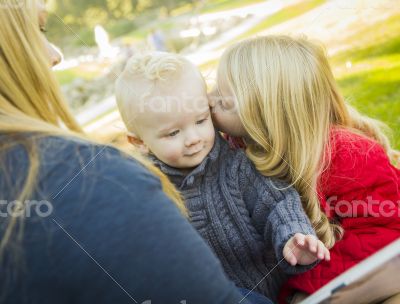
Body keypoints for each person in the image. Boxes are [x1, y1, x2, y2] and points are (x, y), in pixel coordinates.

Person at [0, 1, 272, 303]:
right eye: (38, 29)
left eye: (200, 120)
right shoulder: (90, 182)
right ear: (138, 141)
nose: (55, 54)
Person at [114, 51, 330, 302]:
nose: (193, 138)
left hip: (265, 292)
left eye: (200, 120)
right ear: (140, 142)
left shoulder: (236, 168)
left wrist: (293, 236)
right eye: (173, 133)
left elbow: (276, 204)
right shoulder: (147, 189)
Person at [210, 35, 400, 303]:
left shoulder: (349, 155)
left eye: (222, 96)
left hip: (372, 263)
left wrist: (309, 288)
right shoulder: (242, 146)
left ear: (266, 109)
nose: (209, 98)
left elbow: (382, 235)